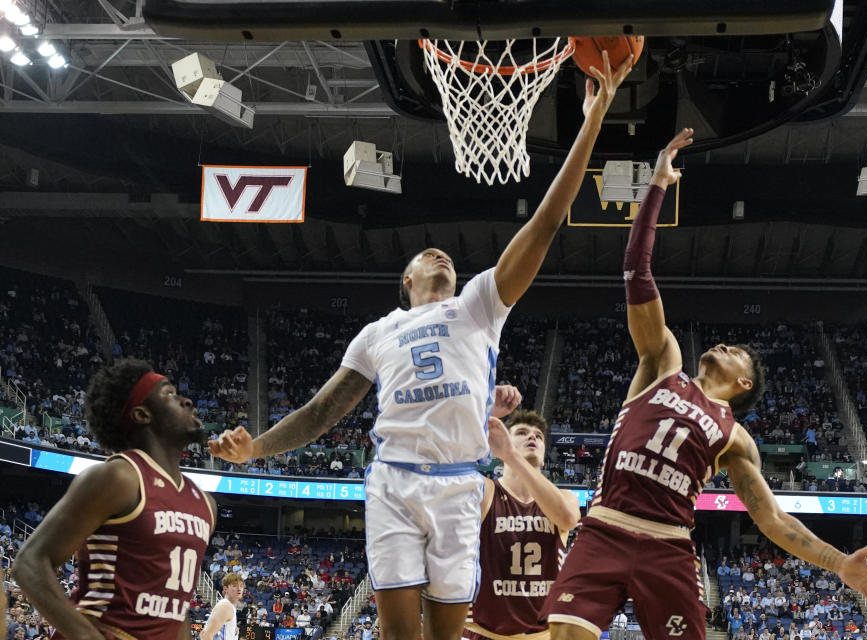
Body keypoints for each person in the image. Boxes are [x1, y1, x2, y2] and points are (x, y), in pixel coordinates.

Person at [209, 51, 636, 640]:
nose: (441, 255)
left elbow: (546, 221)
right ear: (405, 280)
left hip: (462, 483)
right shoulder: (377, 332)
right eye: (425, 256)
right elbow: (321, 412)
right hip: (396, 479)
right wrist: (255, 449)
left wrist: (591, 123)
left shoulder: (479, 306)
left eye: (450, 260)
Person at [541, 129, 867, 640]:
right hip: (605, 527)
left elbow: (772, 519)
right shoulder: (662, 363)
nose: (725, 345)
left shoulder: (735, 437)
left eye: (736, 351)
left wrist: (838, 563)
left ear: (743, 381)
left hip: (668, 545)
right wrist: (655, 189)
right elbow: (636, 273)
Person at [12, 358, 216, 640]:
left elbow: (176, 612)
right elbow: (29, 562)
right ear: (142, 414)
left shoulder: (205, 503)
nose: (187, 401)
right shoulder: (120, 477)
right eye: (169, 393)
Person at [465, 410, 580, 640]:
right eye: (522, 432)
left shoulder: (566, 497)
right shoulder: (486, 491)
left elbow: (568, 519)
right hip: (483, 630)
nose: (533, 437)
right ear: (502, 444)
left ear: (545, 456)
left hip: (542, 634)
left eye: (539, 435)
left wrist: (512, 456)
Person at [201, 573, 246, 640]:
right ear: (225, 589)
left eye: (241, 586)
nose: (239, 589)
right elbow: (205, 635)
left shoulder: (228, 606)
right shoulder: (225, 607)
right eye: (235, 586)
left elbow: (203, 633)